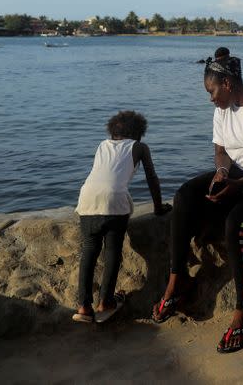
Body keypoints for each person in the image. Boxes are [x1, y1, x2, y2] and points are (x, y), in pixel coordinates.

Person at [152, 48, 243, 354]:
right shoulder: (221, 111)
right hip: (239, 175)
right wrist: (222, 175)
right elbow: (221, 151)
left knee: (237, 224)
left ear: (228, 84)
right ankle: (177, 280)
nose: (210, 98)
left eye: (212, 90)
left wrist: (240, 186)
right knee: (184, 195)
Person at [73, 110, 170, 324]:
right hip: (115, 200)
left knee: (89, 250)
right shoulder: (139, 147)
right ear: (138, 132)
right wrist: (158, 207)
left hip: (87, 197)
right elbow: (152, 178)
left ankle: (83, 306)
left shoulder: (102, 145)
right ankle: (106, 302)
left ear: (112, 131)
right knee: (112, 252)